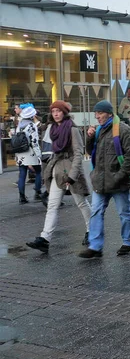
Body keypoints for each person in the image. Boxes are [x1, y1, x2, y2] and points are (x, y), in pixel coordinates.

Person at [26, 101, 92, 253]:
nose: (56, 113)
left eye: (59, 111)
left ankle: (91, 230)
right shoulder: (53, 128)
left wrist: (72, 175)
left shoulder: (72, 129)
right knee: (52, 205)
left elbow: (78, 154)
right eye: (53, 111)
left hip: (70, 170)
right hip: (57, 170)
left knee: (81, 203)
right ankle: (45, 238)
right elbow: (48, 149)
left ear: (64, 113)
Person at [79, 100, 130, 259]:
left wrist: (120, 176)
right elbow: (91, 152)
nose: (97, 116)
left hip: (118, 182)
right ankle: (95, 246)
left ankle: (128, 242)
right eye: (96, 113)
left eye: (99, 113)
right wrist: (90, 138)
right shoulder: (99, 130)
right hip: (100, 181)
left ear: (109, 113)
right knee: (96, 212)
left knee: (124, 213)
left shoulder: (123, 130)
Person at [14, 104, 43, 204]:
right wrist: (39, 154)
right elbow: (34, 142)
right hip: (30, 152)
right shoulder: (32, 125)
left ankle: (22, 197)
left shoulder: (20, 125)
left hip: (20, 153)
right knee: (39, 172)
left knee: (22, 175)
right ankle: (38, 193)